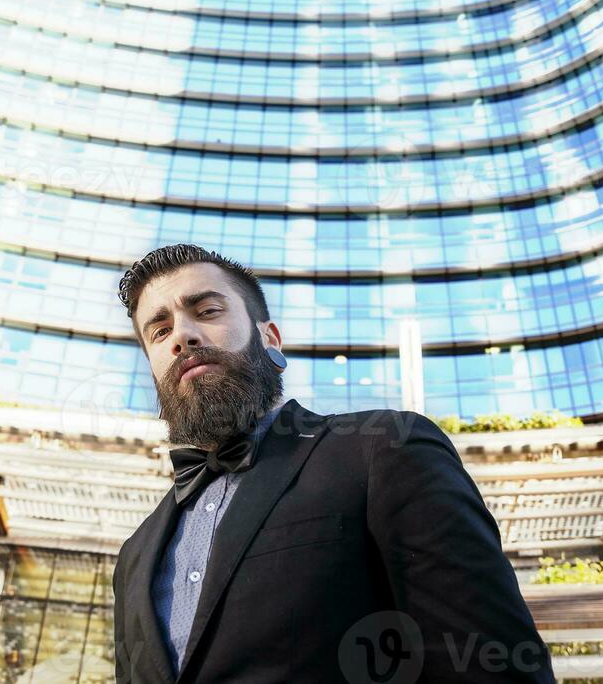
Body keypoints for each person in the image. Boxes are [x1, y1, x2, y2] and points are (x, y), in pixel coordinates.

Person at [112, 243, 555, 684]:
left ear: (270, 338)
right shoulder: (134, 554)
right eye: (160, 330)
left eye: (207, 311)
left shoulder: (385, 449)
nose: (182, 337)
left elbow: (493, 666)